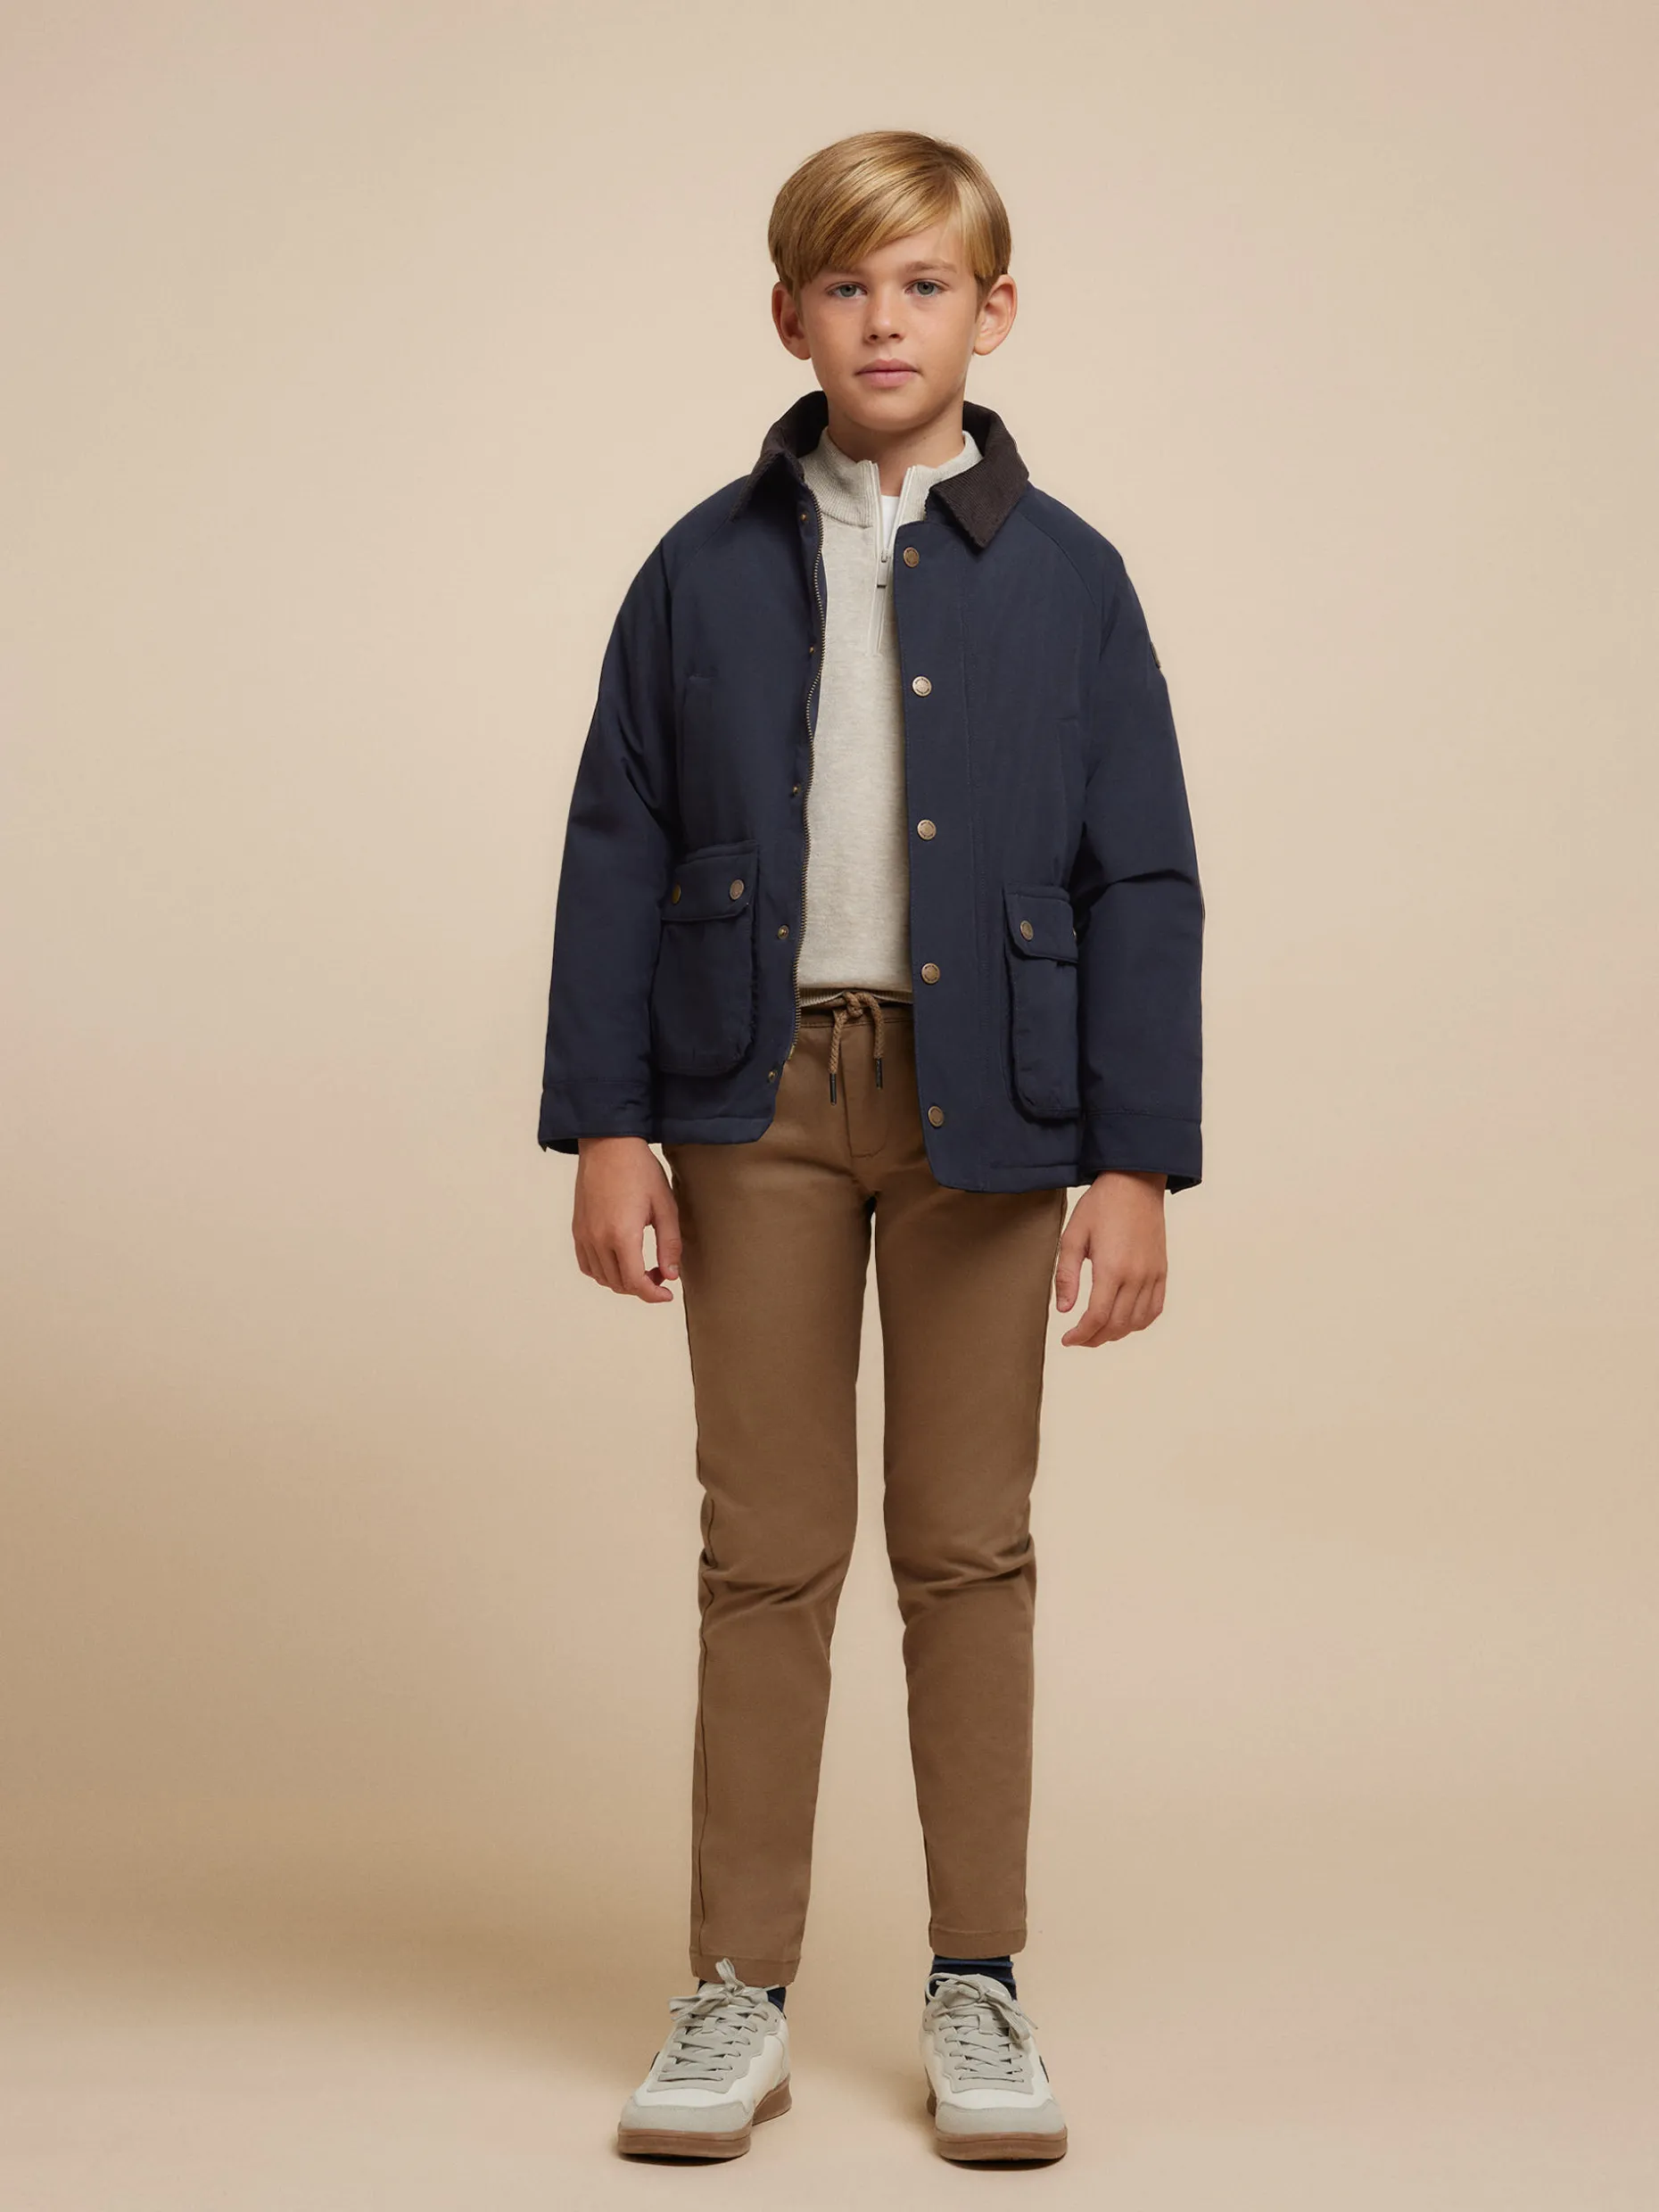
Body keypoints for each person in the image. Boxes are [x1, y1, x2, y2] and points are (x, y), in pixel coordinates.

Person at [537, 128, 1203, 2166]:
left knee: (968, 1542)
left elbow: (1141, 873)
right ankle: (735, 1988)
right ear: (788, 317)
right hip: (750, 1097)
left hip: (992, 1101)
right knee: (765, 1547)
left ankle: (976, 1980)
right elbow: (616, 840)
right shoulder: (699, 566)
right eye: (846, 286)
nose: (884, 320)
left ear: (994, 313)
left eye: (923, 285)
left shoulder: (1072, 577)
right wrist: (609, 1124)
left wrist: (1134, 1157)